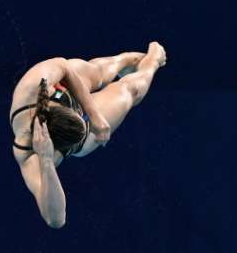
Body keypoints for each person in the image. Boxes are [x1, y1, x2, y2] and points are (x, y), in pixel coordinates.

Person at [9, 42, 167, 228]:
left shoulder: (33, 86)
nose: (85, 121)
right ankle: (153, 62)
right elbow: (56, 219)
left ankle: (123, 60)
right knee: (130, 91)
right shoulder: (28, 153)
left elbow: (62, 64)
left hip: (64, 90)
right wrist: (46, 160)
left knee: (96, 73)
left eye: (81, 119)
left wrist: (93, 115)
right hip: (65, 140)